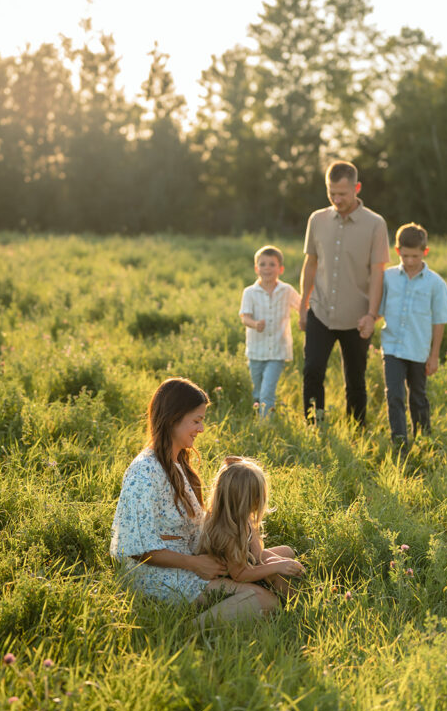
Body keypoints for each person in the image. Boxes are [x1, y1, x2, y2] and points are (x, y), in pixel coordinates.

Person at [110, 377, 279, 624]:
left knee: (279, 559)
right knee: (265, 600)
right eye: (196, 421)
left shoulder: (178, 463)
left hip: (193, 561)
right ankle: (192, 631)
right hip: (158, 574)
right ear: (172, 419)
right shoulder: (144, 471)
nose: (201, 429)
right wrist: (195, 564)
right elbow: (138, 549)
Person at [299, 160, 390, 425]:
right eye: (332, 193)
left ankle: (357, 429)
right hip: (321, 310)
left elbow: (378, 273)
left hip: (357, 316)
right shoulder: (317, 219)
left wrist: (372, 315)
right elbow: (311, 264)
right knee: (312, 370)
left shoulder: (375, 224)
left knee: (355, 380)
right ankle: (315, 425)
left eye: (342, 193)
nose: (337, 199)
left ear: (357, 188)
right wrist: (304, 305)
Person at [379, 222, 447, 449]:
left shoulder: (435, 283)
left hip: (418, 349)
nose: (410, 261)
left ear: (425, 252)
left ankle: (424, 440)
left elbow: (439, 320)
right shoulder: (388, 277)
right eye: (405, 256)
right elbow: (377, 308)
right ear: (397, 251)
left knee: (418, 397)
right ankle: (400, 443)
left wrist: (434, 355)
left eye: (415, 256)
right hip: (392, 346)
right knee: (394, 395)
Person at [198, 456, 306, 597]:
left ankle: (298, 586)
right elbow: (240, 575)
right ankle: (297, 605)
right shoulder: (227, 532)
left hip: (245, 563)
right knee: (277, 573)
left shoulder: (244, 517)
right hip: (232, 577)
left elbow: (257, 554)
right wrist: (277, 566)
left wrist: (280, 562)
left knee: (287, 552)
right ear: (249, 500)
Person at [240, 244, 301, 417]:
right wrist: (254, 324)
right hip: (256, 351)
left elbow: (302, 307)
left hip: (277, 350)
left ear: (280, 268)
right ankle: (259, 416)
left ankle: (265, 425)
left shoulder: (286, 290)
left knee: (267, 391)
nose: (267, 268)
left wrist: (304, 319)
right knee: (257, 392)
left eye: (272, 264)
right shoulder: (250, 292)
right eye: (263, 264)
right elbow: (244, 317)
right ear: (256, 268)